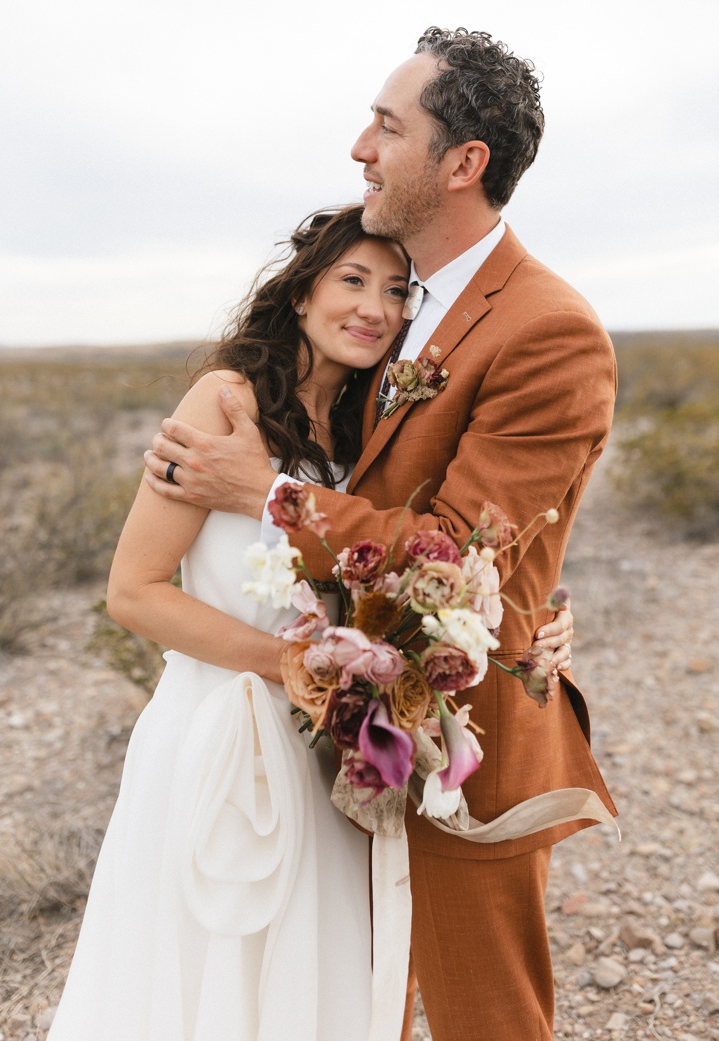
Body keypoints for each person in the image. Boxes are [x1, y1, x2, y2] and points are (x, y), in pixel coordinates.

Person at [145, 28, 616, 1041]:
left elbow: (465, 552)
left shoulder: (547, 326)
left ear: (461, 164)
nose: (361, 146)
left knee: (484, 1018)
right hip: (346, 738)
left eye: (387, 126)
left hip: (465, 738)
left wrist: (267, 495)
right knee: (352, 1010)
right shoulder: (400, 311)